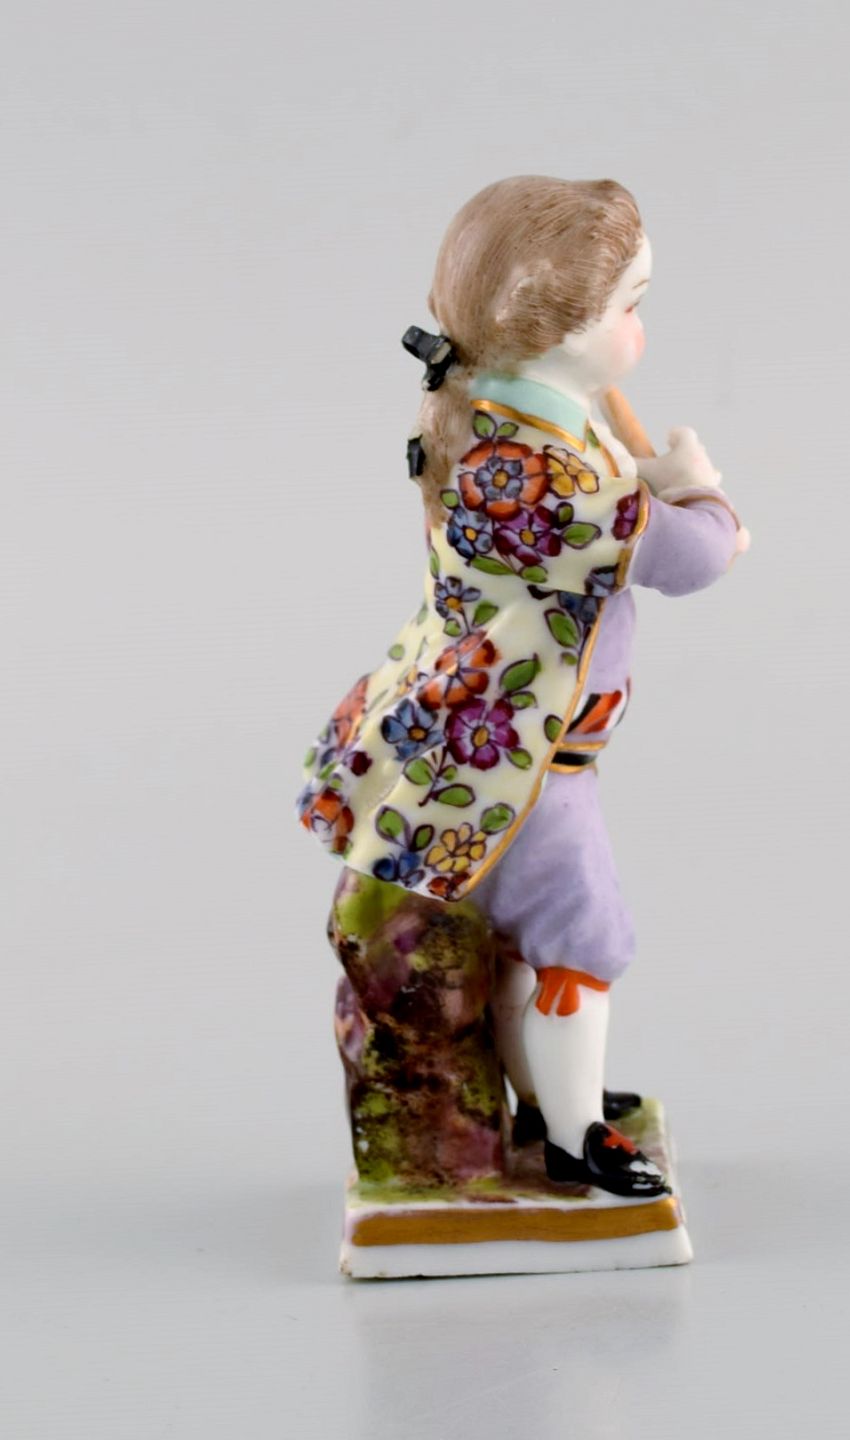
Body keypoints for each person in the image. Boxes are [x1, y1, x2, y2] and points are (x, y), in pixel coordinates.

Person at [296, 176, 745, 1199]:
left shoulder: (519, 422)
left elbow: (618, 502)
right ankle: (577, 1141)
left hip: (503, 743)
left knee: (527, 945)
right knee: (582, 940)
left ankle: (547, 1104)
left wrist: (652, 484)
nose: (641, 328)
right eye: (629, 305)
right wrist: (700, 488)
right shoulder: (526, 476)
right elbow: (691, 557)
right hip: (523, 768)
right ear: (552, 326)